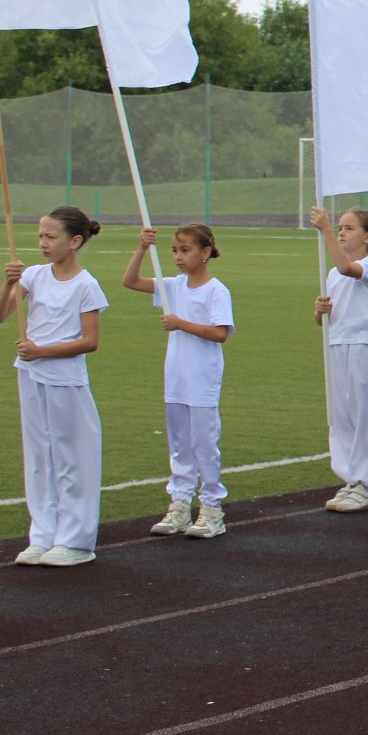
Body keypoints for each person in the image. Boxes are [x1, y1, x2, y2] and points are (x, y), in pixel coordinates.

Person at [0, 205, 109, 567]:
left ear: (74, 242)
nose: (42, 243)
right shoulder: (35, 276)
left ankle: (76, 540)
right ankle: (43, 534)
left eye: (50, 236)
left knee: (73, 457)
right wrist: (8, 282)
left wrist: (43, 351)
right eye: (40, 235)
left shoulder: (86, 285)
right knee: (39, 457)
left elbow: (90, 342)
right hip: (30, 375)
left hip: (65, 379)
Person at [121, 224, 234, 540]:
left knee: (203, 444)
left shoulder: (216, 290)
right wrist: (143, 248)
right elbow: (129, 281)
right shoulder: (173, 286)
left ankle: (212, 509)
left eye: (185, 250)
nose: (178, 257)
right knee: (180, 444)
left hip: (202, 379)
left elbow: (220, 332)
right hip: (176, 379)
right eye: (174, 250)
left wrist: (181, 323)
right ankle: (180, 504)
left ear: (205, 253)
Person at [311, 206, 368, 513]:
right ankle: (349, 478)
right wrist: (319, 311)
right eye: (340, 227)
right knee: (341, 413)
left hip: (363, 343)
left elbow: (347, 269)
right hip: (337, 343)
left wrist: (325, 229)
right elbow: (324, 320)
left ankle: (366, 482)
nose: (341, 232)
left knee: (364, 410)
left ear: (367, 236)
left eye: (348, 228)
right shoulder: (331, 272)